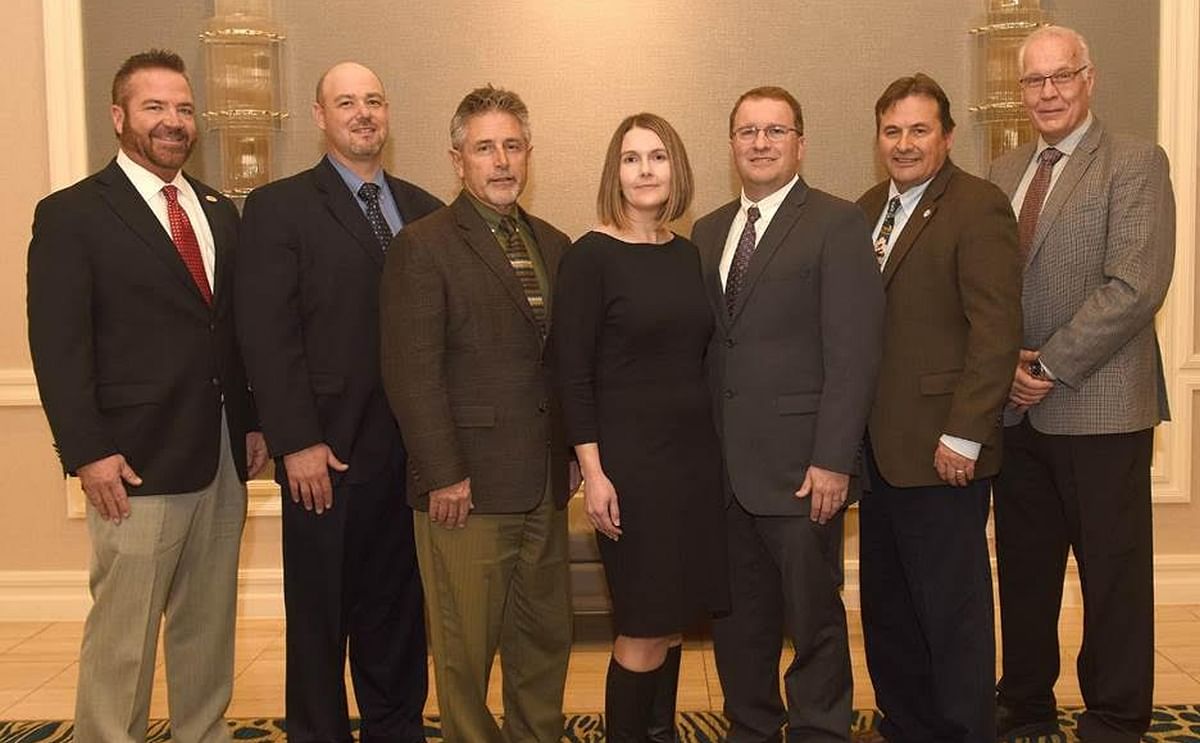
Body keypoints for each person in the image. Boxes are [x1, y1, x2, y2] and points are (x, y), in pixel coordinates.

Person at [26, 49, 267, 742]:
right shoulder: (72, 214)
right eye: (155, 107)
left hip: (219, 454)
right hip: (131, 462)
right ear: (118, 116)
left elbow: (232, 331)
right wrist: (88, 450)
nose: (173, 121)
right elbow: (58, 345)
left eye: (184, 109)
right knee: (124, 633)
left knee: (206, 619)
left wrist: (250, 422)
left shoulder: (220, 210)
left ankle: (202, 729)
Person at [235, 62, 441, 743]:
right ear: (320, 116)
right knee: (321, 619)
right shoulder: (278, 207)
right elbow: (268, 332)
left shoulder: (426, 208)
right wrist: (295, 439)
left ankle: (397, 727)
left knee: (400, 614)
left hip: (408, 456)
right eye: (346, 102)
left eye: (374, 101)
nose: (363, 113)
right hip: (325, 453)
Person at [987, 25, 1176, 742]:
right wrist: (1005, 362)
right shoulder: (1002, 172)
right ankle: (1026, 699)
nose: (1048, 92)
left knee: (1113, 575)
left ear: (1089, 78)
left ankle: (1116, 712)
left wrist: (1049, 365)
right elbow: (988, 287)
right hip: (1015, 412)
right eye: (1034, 81)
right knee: (1025, 571)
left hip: (1101, 407)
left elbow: (1135, 284)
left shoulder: (1133, 163)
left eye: (1062, 76)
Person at [380, 85, 574, 743]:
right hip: (464, 490)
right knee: (464, 657)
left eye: (513, 145)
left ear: (529, 155)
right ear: (457, 159)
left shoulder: (553, 242)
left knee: (543, 643)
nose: (501, 161)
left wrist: (572, 456)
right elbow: (412, 370)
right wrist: (443, 473)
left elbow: (563, 366)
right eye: (485, 147)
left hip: (543, 485)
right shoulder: (424, 245)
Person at [692, 86, 885, 742]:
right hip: (724, 474)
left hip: (805, 470)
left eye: (775, 131)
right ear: (731, 144)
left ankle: (820, 729)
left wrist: (834, 458)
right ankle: (750, 726)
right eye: (747, 131)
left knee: (814, 623)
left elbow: (854, 352)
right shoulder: (708, 230)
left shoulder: (836, 222)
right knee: (738, 623)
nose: (761, 143)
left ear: (800, 142)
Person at [854, 73, 1021, 743]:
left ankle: (962, 729)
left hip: (943, 451)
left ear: (947, 136)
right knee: (889, 610)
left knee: (951, 613)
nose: (904, 143)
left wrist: (965, 433)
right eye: (892, 130)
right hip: (878, 454)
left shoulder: (977, 206)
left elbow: (996, 330)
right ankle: (907, 725)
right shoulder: (865, 208)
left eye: (919, 129)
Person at [552, 113, 728, 742]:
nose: (645, 170)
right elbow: (570, 375)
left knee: (674, 619)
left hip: (692, 466)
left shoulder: (690, 256)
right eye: (631, 158)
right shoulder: (589, 256)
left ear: (676, 168)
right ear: (614, 172)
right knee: (643, 623)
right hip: (629, 470)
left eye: (657, 156)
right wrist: (594, 473)